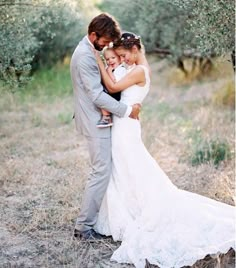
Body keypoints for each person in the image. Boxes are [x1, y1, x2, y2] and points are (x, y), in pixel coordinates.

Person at [93, 32, 235, 268]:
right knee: (125, 169)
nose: (123, 59)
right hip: (124, 123)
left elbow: (112, 86)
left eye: (124, 55)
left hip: (126, 128)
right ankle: (127, 212)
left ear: (135, 48)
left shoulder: (139, 70)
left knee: (130, 167)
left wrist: (98, 60)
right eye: (119, 56)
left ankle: (137, 212)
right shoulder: (135, 67)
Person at [70, 14, 141, 241]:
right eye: (104, 41)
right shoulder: (84, 56)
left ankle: (100, 219)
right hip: (95, 121)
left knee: (103, 170)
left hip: (96, 119)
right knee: (100, 172)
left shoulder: (88, 49)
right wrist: (127, 111)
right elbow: (97, 95)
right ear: (93, 35)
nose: (106, 46)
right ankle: (83, 227)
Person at [96, 47, 127, 128]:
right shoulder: (109, 68)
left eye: (113, 58)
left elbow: (114, 82)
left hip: (116, 93)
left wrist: (109, 71)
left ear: (120, 59)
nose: (110, 61)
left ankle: (106, 117)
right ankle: (105, 115)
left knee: (101, 97)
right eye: (107, 59)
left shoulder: (121, 70)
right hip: (110, 91)